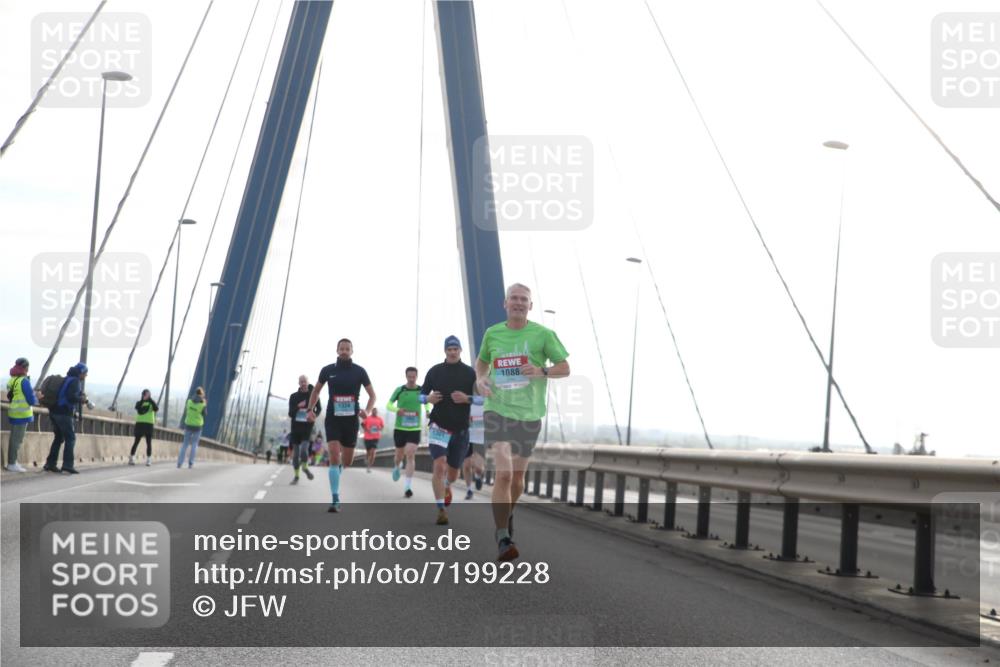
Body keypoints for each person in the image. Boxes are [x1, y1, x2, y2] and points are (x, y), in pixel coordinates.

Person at [476, 284, 569, 561]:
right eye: (513, 298)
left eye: (523, 300)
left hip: (529, 414)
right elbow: (481, 363)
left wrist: (542, 370)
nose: (518, 303)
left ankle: (507, 513)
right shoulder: (492, 333)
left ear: (530, 306)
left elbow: (564, 368)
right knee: (503, 473)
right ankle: (503, 535)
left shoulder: (543, 335)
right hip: (497, 409)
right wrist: (480, 379)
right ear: (505, 304)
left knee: (518, 480)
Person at [307, 338, 375, 512]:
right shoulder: (328, 370)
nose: (344, 351)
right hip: (333, 419)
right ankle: (335, 499)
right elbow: (316, 390)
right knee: (334, 457)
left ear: (352, 351)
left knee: (347, 461)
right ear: (337, 351)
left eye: (347, 349)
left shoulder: (360, 371)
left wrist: (367, 411)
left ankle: (336, 473)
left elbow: (372, 395)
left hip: (351, 421)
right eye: (341, 348)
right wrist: (310, 409)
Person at [421, 336, 478, 526]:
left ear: (460, 350)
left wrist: (467, 399)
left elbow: (485, 399)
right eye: (449, 349)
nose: (452, 352)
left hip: (461, 430)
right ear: (445, 351)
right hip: (439, 426)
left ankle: (447, 485)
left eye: (455, 349)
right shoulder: (435, 371)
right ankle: (441, 509)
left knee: (453, 474)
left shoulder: (470, 373)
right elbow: (420, 396)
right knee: (439, 464)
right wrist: (427, 399)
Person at [44, 362, 89, 474]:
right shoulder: (75, 381)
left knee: (58, 438)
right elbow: (71, 397)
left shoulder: (67, 379)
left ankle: (50, 463)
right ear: (81, 372)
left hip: (54, 411)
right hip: (64, 413)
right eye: (85, 373)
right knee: (71, 438)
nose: (86, 376)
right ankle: (68, 465)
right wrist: (81, 399)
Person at [386, 367, 423, 497]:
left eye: (414, 377)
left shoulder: (421, 390)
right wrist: (397, 410)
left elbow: (427, 403)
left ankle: (407, 486)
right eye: (409, 377)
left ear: (417, 376)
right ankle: (397, 465)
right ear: (406, 376)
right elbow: (388, 405)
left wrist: (429, 410)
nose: (412, 379)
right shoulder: (400, 390)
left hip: (415, 428)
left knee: (411, 454)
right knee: (399, 456)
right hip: (400, 428)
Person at [5, 358, 37, 472]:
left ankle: (12, 462)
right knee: (17, 440)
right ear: (25, 367)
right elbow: (31, 400)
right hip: (22, 414)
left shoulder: (12, 380)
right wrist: (37, 397)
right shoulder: (24, 381)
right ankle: (12, 463)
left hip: (14, 412)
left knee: (14, 438)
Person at [288, 375, 320, 484]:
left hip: (307, 428)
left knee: (304, 451)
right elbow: (290, 413)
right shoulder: (293, 397)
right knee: (296, 456)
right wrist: (298, 406)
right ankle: (296, 476)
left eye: (304, 381)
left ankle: (305, 468)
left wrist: (314, 415)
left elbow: (319, 409)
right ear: (298, 383)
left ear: (308, 382)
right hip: (296, 429)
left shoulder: (314, 395)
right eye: (301, 382)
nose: (303, 383)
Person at [177, 387, 207, 468]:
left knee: (185, 444)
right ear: (202, 395)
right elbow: (205, 415)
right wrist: (204, 404)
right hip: (198, 426)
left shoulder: (189, 402)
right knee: (194, 444)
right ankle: (191, 463)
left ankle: (179, 463)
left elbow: (187, 411)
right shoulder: (202, 405)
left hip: (188, 425)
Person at [462, 402, 486, 500]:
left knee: (478, 468)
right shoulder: (466, 401)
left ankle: (478, 476)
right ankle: (469, 490)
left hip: (480, 439)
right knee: (466, 465)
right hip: (467, 438)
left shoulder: (486, 402)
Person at [129, 389, 158, 466]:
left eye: (149, 394)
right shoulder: (139, 403)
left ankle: (148, 459)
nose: (147, 396)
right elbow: (137, 407)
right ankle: (132, 457)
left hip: (149, 424)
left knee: (149, 442)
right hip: (140, 424)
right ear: (143, 395)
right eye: (146, 394)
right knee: (136, 441)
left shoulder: (152, 403)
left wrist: (150, 399)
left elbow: (156, 409)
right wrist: (143, 400)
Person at [361, 407, 384, 473]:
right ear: (372, 412)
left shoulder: (380, 419)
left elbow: (382, 426)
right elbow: (362, 424)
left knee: (373, 452)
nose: (375, 412)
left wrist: (380, 429)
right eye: (373, 411)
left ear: (377, 412)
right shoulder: (368, 418)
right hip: (367, 438)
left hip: (375, 438)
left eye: (376, 411)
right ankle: (366, 458)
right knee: (368, 452)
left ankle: (369, 466)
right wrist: (366, 429)